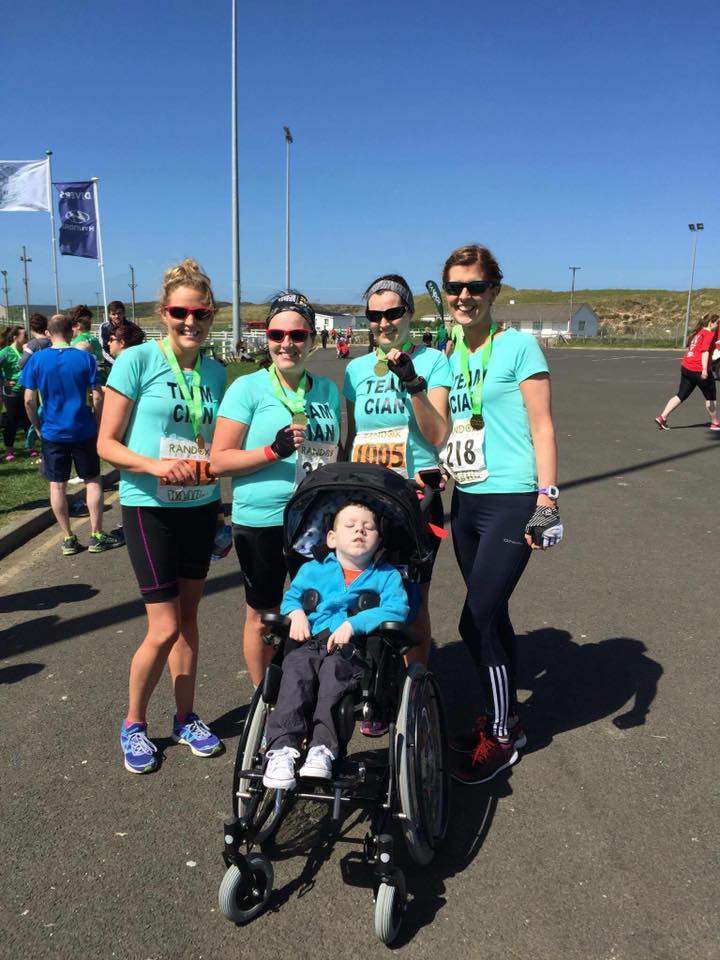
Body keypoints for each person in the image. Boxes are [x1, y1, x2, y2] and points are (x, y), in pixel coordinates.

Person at [438, 244, 562, 786]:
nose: (464, 297)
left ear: (494, 291)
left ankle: (505, 736)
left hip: (512, 501)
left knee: (476, 618)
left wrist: (547, 499)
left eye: (474, 287)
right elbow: (452, 430)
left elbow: (543, 427)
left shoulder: (518, 347)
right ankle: (502, 717)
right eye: (454, 287)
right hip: (466, 501)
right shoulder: (452, 353)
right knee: (496, 619)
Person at [97, 259, 226, 774]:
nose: (190, 322)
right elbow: (106, 443)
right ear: (162, 313)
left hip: (200, 506)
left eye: (201, 313)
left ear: (211, 315)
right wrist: (154, 465)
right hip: (150, 507)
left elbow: (216, 443)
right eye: (179, 312)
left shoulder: (215, 371)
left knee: (190, 622)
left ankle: (185, 716)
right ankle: (132, 723)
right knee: (164, 626)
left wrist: (221, 509)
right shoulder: (135, 361)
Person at [210, 292, 342, 689]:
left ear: (311, 340)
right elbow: (219, 460)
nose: (287, 343)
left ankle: (308, 694)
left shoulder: (327, 391)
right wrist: (273, 450)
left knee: (318, 608)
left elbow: (337, 454)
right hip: (262, 519)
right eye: (277, 333)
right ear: (266, 337)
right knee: (262, 613)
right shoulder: (247, 389)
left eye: (297, 335)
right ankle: (264, 704)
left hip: (316, 521)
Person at [343, 274, 451, 686]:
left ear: (409, 314)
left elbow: (438, 434)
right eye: (375, 314)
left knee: (412, 597)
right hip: (364, 496)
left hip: (414, 495)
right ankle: (373, 679)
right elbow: (352, 438)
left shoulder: (432, 362)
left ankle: (416, 683)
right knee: (363, 592)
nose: (384, 322)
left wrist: (411, 382)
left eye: (393, 313)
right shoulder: (355, 369)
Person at [262, 502, 409, 789]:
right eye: (350, 525)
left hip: (353, 650)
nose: (360, 531)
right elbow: (292, 598)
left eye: (368, 527)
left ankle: (322, 749)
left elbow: (397, 609)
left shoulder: (387, 575)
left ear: (379, 538)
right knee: (294, 671)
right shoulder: (311, 570)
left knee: (333, 674)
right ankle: (282, 748)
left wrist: (355, 623)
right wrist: (296, 614)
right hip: (310, 644)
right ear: (331, 538)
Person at [21, 314, 120, 555]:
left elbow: (28, 399)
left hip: (53, 431)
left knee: (57, 486)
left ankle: (68, 538)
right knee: (92, 480)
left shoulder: (37, 360)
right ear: (71, 332)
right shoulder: (85, 358)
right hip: (83, 428)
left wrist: (36, 426)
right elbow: (97, 395)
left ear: (47, 333)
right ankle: (96, 534)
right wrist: (97, 424)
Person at [655, 314, 720, 431]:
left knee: (681, 395)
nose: (718, 325)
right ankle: (715, 422)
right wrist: (705, 370)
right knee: (711, 396)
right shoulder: (709, 334)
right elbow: (704, 351)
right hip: (698, 369)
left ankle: (662, 417)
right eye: (717, 323)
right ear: (711, 323)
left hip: (687, 368)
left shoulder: (698, 333)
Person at [0, 324, 30, 461]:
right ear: (15, 338)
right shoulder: (6, 351)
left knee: (28, 419)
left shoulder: (27, 350)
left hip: (26, 390)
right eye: (24, 336)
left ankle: (31, 447)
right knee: (11, 421)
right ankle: (9, 450)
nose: (27, 338)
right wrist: (4, 381)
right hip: (11, 392)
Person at [99, 300, 129, 366]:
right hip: (111, 364)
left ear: (123, 313)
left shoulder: (131, 326)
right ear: (109, 315)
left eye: (119, 313)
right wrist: (116, 363)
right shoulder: (104, 327)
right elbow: (104, 349)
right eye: (113, 314)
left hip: (128, 362)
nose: (117, 316)